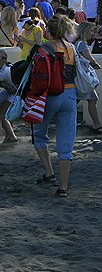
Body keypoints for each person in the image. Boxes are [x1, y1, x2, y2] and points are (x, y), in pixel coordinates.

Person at [32, 15, 78, 196]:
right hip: (70, 94)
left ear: (48, 30)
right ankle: (63, 187)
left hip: (49, 95)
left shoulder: (44, 48)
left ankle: (49, 172)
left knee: (39, 134)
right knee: (66, 143)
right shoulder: (71, 48)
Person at [74, 21, 102, 132]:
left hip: (79, 76)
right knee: (92, 99)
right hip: (84, 77)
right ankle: (97, 124)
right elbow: (90, 59)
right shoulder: (82, 44)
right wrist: (96, 64)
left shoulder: (77, 43)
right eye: (91, 30)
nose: (92, 33)